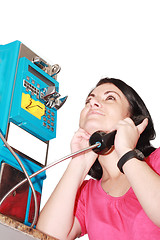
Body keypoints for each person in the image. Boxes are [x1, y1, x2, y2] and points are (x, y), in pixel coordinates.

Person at [36, 78, 160, 240]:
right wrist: (79, 163)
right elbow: (46, 237)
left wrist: (126, 151)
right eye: (88, 100)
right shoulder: (87, 193)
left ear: (133, 119)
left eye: (110, 98)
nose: (93, 103)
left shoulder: (156, 162)